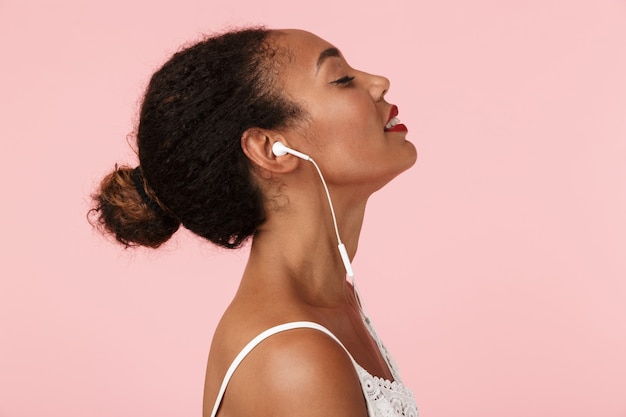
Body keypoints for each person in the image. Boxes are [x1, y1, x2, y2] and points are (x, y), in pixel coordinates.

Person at [90, 27, 418, 417]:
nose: (380, 83)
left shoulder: (334, 304)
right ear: (270, 149)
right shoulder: (295, 357)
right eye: (342, 79)